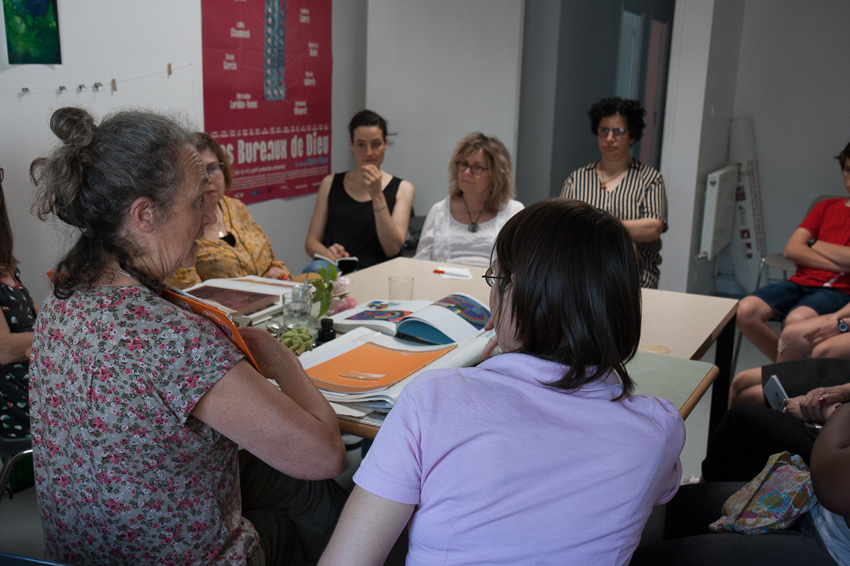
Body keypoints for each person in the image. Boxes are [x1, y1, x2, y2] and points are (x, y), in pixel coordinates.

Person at [29, 107, 346, 565]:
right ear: (144, 215)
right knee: (318, 492)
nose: (210, 215)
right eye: (198, 201)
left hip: (87, 549)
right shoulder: (174, 340)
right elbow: (326, 456)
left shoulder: (59, 304)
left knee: (276, 477)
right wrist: (282, 363)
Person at [320, 199, 685, 565]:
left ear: (518, 293)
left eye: (496, 280)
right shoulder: (659, 428)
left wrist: (491, 369)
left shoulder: (430, 401)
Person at [632, 393, 850, 566]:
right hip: (822, 510)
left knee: (644, 559)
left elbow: (833, 486)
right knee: (660, 510)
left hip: (834, 548)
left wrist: (841, 410)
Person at [736, 141, 850, 362]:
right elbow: (792, 250)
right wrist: (842, 262)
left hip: (839, 290)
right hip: (801, 281)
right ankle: (787, 371)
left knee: (796, 320)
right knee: (745, 310)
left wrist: (816, 244)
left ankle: (786, 376)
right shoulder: (825, 207)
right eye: (848, 170)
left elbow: (805, 247)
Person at [560, 97, 667, 288]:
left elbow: (652, 228)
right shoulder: (578, 179)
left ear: (632, 136)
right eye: (604, 131)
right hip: (582, 273)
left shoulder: (650, 179)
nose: (609, 139)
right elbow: (563, 224)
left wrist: (598, 228)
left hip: (635, 276)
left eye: (618, 132)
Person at [165, 132, 291, 289]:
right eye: (199, 173)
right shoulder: (178, 226)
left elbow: (271, 262)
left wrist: (276, 273)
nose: (208, 179)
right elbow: (192, 296)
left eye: (212, 168)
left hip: (269, 304)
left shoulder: (236, 207)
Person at [304, 110, 415, 272]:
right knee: (313, 270)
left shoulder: (403, 189)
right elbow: (311, 242)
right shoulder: (330, 183)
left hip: (377, 272)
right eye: (361, 145)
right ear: (352, 145)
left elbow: (392, 248)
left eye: (375, 144)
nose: (369, 153)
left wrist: (377, 195)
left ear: (385, 143)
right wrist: (328, 253)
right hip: (335, 270)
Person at [710, 358, 850, 480]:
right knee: (743, 383)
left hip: (840, 441)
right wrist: (841, 390)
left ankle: (709, 488)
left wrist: (821, 410)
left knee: (740, 417)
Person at [413, 133, 524, 267]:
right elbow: (420, 264)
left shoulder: (513, 212)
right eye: (463, 164)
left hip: (491, 287)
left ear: (496, 174)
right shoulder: (439, 210)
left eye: (477, 167)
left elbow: (520, 266)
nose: (466, 172)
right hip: (444, 285)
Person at [0, 167, 38, 439]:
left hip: (34, 376)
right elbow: (4, 349)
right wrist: (57, 334)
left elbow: (41, 315)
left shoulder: (7, 267)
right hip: (15, 399)